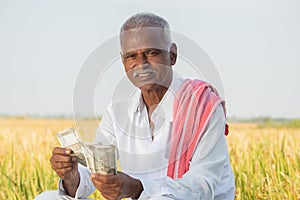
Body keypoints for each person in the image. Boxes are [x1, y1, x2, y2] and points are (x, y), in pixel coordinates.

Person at [35, 12, 235, 200]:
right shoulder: (118, 110)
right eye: (132, 56)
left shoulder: (202, 106)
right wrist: (72, 176)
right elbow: (98, 170)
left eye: (151, 53)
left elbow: (204, 185)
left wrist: (137, 187)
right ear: (123, 61)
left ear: (172, 55)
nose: (141, 64)